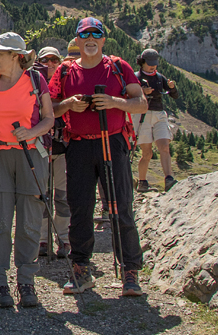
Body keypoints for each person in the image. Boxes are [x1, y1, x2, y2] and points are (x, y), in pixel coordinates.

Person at [50, 17, 148, 296]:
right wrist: (69, 104)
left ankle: (130, 271)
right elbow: (51, 108)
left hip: (112, 142)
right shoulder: (66, 71)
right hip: (78, 146)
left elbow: (141, 103)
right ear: (77, 40)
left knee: (121, 206)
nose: (91, 39)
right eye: (85, 35)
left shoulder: (118, 67)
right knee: (80, 207)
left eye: (96, 34)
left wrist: (114, 102)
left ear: (103, 39)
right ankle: (81, 268)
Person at [0, 32, 55, 308]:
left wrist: (31, 132)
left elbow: (49, 119)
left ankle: (26, 282)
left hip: (31, 153)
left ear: (16, 56)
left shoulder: (35, 80)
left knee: (30, 219)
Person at [35, 45, 70, 260]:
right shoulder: (32, 84)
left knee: (63, 197)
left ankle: (63, 238)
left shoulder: (67, 84)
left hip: (63, 148)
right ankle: (43, 238)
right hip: (40, 149)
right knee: (41, 196)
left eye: (54, 60)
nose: (50, 64)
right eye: (45, 60)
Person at [134, 48, 179, 192]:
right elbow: (128, 95)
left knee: (164, 146)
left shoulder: (160, 77)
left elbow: (174, 95)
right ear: (142, 62)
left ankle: (169, 178)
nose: (153, 66)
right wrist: (142, 92)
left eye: (155, 64)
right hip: (143, 115)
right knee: (147, 153)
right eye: (150, 64)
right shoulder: (135, 77)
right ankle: (142, 181)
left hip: (159, 113)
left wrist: (172, 88)